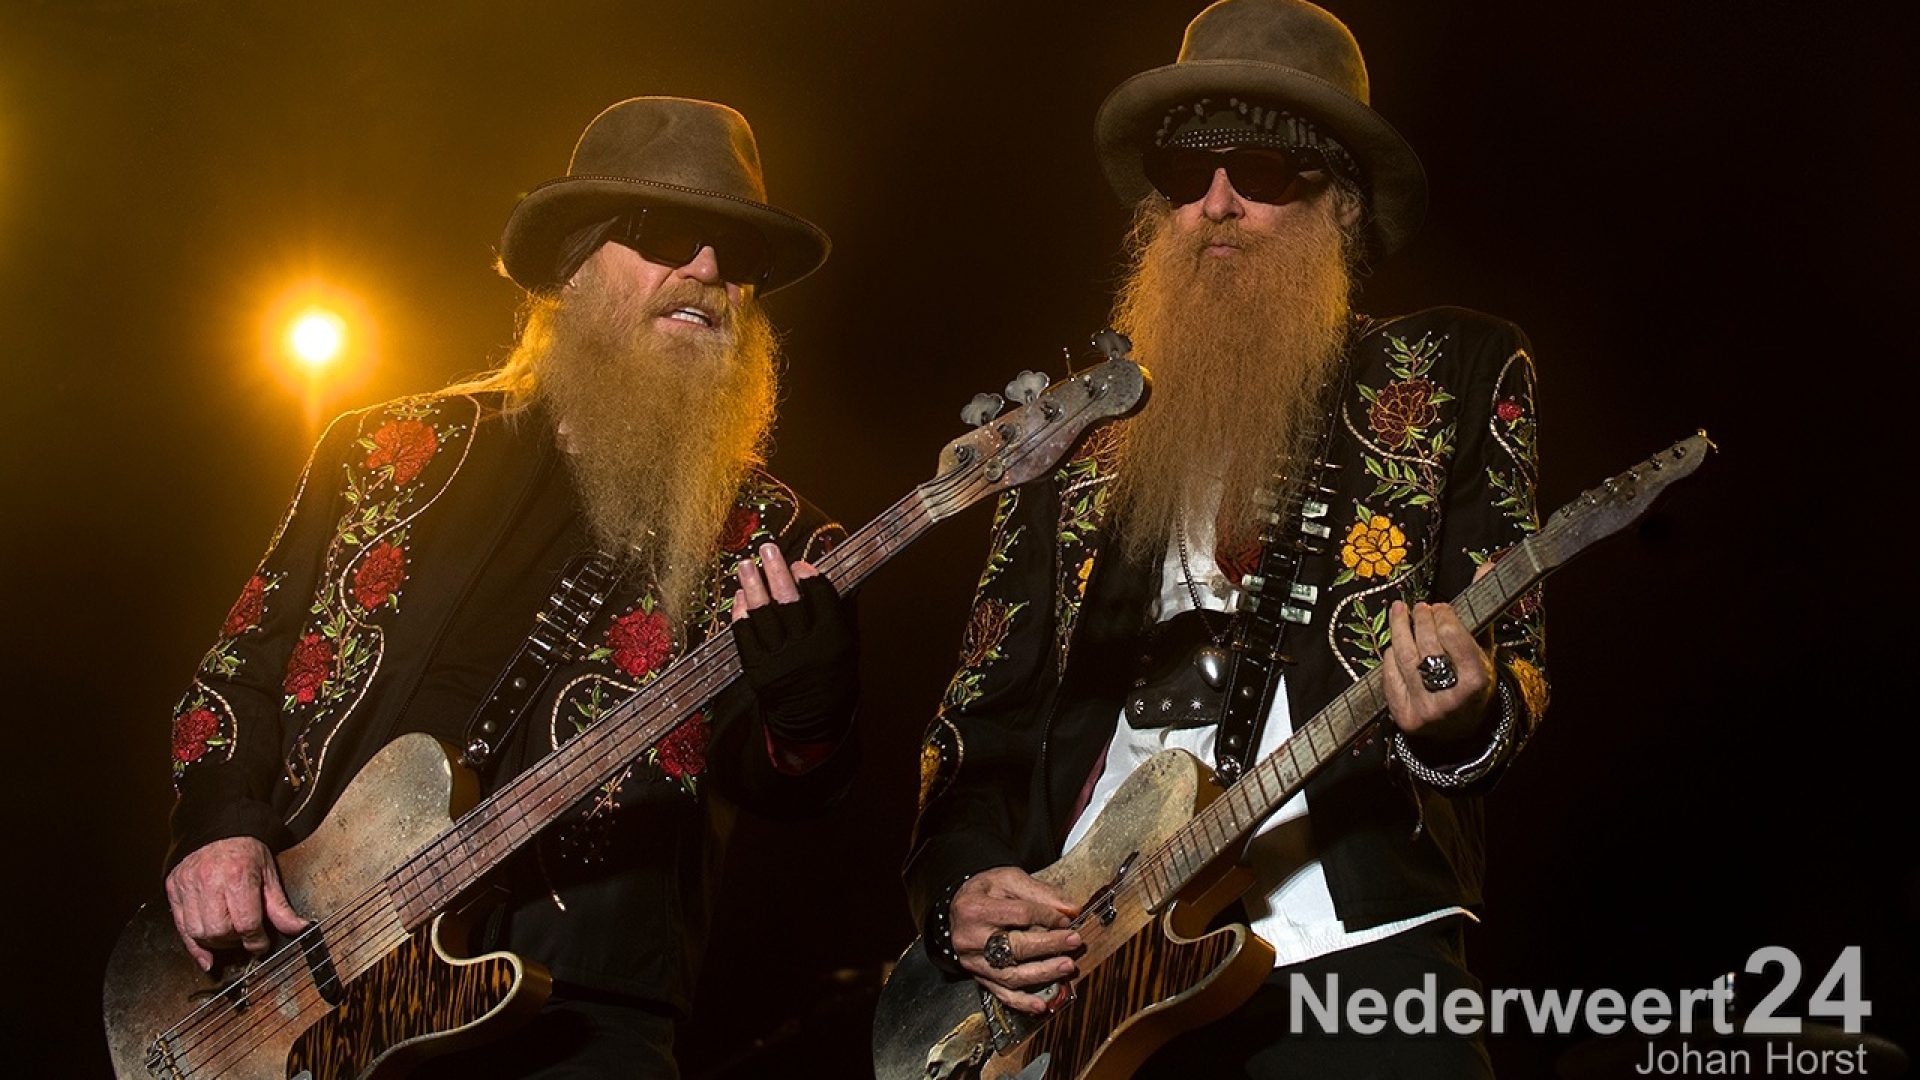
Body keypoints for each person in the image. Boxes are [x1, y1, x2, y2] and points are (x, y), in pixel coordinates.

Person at [904, 1, 1549, 1074]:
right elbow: (977, 720)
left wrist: (1458, 712)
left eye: (1259, 167)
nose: (1215, 204)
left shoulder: (1450, 375)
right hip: (1094, 976)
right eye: (1183, 169)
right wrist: (962, 891)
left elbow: (1513, 664)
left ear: (1341, 201)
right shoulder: (1073, 431)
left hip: (1355, 951)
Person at [160, 97, 858, 1077]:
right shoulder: (384, 450)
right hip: (290, 985)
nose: (707, 271)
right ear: (575, 261)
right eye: (667, 236)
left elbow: (784, 779)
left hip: (582, 1023)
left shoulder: (777, 542)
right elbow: (240, 667)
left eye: (737, 256)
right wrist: (221, 833)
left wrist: (812, 710)